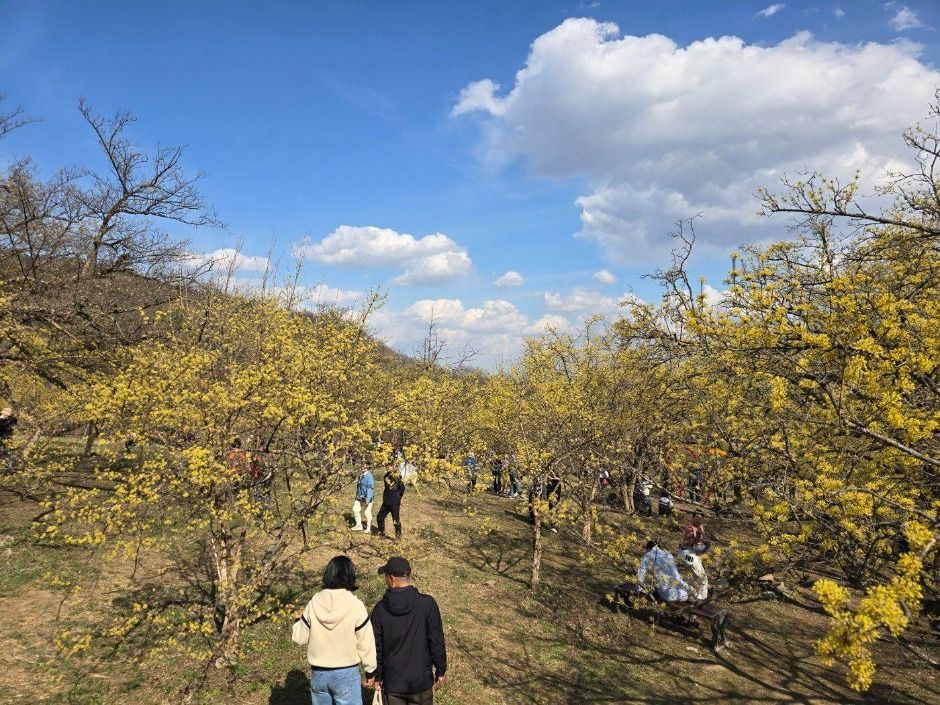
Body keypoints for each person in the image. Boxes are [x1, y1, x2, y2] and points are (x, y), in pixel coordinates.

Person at [292, 556, 377, 705]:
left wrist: (297, 621)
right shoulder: (356, 605)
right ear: (350, 575)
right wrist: (370, 670)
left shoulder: (314, 602)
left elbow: (299, 638)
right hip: (347, 673)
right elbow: (366, 643)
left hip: (319, 674)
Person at [369, 557, 446, 705]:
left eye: (385, 576)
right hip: (420, 683)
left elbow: (376, 648)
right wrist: (440, 670)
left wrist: (377, 676)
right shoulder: (427, 605)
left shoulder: (380, 610)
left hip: (393, 684)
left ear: (391, 578)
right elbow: (436, 640)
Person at [377, 462, 406, 540]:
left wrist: (400, 498)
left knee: (395, 520)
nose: (388, 467)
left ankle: (398, 536)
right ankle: (382, 534)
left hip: (394, 502)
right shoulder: (385, 476)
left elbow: (402, 488)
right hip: (386, 501)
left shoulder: (397, 476)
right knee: (380, 517)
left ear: (393, 467)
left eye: (390, 466)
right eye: (387, 466)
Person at [351, 461, 375, 533]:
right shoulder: (360, 475)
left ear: (367, 467)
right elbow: (359, 487)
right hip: (359, 497)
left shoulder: (369, 476)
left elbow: (370, 488)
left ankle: (368, 527)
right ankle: (359, 525)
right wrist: (357, 496)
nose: (362, 467)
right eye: (361, 466)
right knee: (355, 510)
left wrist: (368, 498)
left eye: (364, 466)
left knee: (367, 512)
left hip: (367, 498)